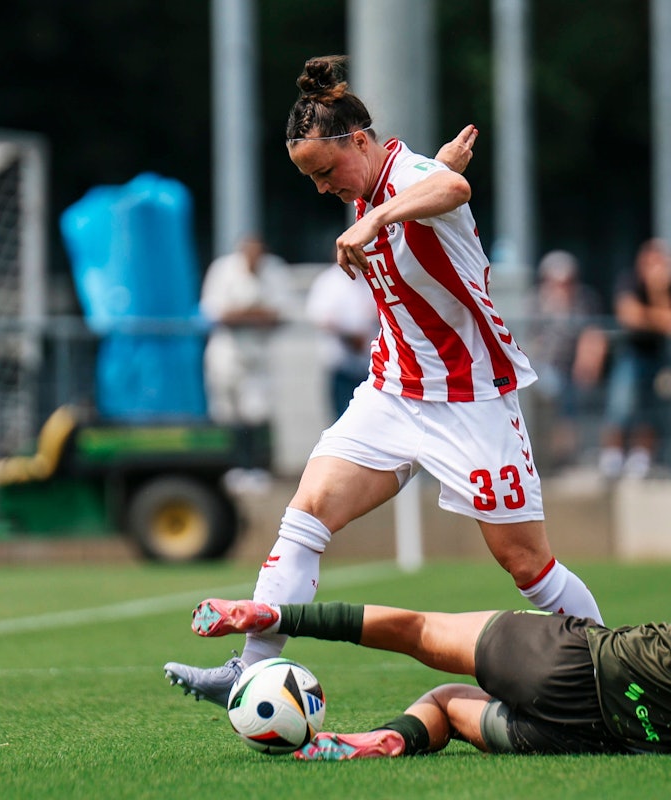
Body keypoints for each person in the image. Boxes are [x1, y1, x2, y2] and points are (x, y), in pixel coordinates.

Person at [164, 54, 602, 707]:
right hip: (392, 392)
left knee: (526, 567)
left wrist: (377, 215)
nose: (322, 189)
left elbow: (449, 191)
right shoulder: (383, 182)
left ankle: (609, 670)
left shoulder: (407, 181)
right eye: (309, 178)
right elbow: (431, 182)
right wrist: (388, 198)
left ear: (360, 142)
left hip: (469, 398)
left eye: (324, 171)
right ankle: (251, 667)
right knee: (306, 515)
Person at [186, 460, 671, 759]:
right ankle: (362, 743)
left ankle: (267, 618)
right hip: (595, 737)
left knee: (415, 632)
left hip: (576, 662)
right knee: (446, 705)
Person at [593, 239, 671, 479]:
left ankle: (641, 456)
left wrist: (658, 292)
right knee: (620, 404)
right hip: (633, 354)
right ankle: (613, 457)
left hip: (663, 357)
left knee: (653, 409)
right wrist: (663, 319)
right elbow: (629, 315)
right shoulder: (629, 280)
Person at [200, 234, 295, 425]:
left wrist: (241, 314)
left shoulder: (274, 269)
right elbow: (214, 313)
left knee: (258, 414)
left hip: (259, 355)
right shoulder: (223, 269)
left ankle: (255, 453)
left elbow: (282, 313)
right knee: (225, 412)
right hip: (226, 353)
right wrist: (257, 313)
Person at [527, 250, 603, 470]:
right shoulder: (534, 301)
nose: (563, 287)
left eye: (568, 281)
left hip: (572, 367)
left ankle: (565, 455)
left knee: (568, 396)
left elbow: (592, 333)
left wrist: (588, 359)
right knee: (555, 389)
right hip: (540, 366)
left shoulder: (584, 300)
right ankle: (554, 454)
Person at [304, 260, 379, 421]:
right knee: (343, 418)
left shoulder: (373, 276)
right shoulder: (330, 280)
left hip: (374, 365)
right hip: (342, 365)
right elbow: (321, 317)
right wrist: (350, 337)